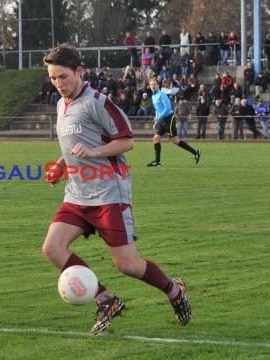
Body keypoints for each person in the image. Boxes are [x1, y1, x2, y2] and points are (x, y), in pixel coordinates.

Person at [41, 44, 191, 336]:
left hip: (109, 194)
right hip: (77, 194)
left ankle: (174, 290)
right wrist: (60, 164)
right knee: (52, 248)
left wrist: (95, 152)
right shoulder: (62, 104)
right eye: (53, 78)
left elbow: (127, 141)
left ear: (79, 72)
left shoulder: (98, 101)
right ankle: (106, 299)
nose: (58, 83)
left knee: (128, 265)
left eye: (63, 77)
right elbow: (75, 145)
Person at [147, 78, 200, 167]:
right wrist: (156, 121)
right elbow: (157, 110)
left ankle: (195, 152)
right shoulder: (153, 97)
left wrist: (159, 117)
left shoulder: (162, 95)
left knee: (175, 141)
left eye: (154, 84)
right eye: (151, 84)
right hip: (161, 120)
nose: (153, 86)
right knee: (156, 139)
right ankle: (157, 162)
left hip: (168, 119)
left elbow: (168, 108)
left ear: (158, 85)